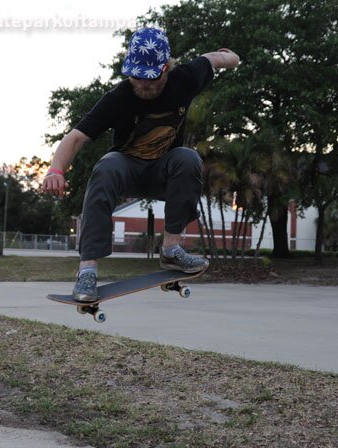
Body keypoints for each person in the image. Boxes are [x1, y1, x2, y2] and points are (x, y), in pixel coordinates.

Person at [43, 28, 239, 301]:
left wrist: (232, 58)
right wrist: (56, 169)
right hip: (127, 171)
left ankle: (171, 250)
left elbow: (214, 59)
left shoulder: (185, 79)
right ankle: (87, 270)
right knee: (107, 164)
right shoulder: (118, 98)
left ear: (166, 68)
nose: (144, 85)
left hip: (164, 173)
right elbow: (75, 138)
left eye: (151, 78)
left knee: (187, 157)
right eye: (137, 78)